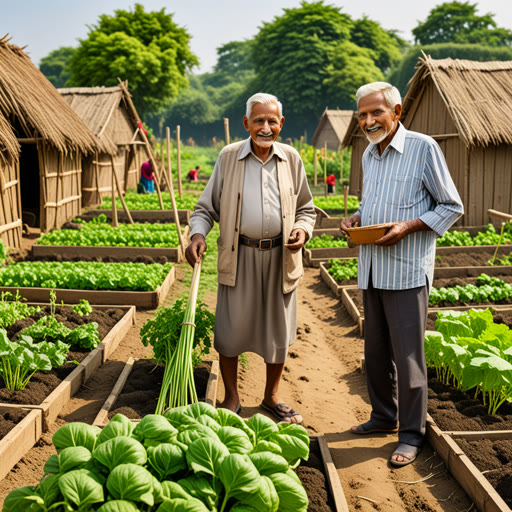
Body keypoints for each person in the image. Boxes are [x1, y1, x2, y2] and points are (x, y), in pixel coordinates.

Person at [340, 82, 463, 467]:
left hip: (407, 270)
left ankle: (411, 434)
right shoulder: (369, 155)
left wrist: (407, 227)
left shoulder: (424, 148)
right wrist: (360, 217)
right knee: (374, 352)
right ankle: (383, 416)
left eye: (376, 112)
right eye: (362, 114)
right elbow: (372, 200)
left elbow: (451, 205)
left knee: (408, 358)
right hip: (373, 267)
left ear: (396, 112)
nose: (368, 120)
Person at [185, 92, 316, 423]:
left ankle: (271, 396)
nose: (266, 127)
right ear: (246, 123)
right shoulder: (229, 158)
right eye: (259, 120)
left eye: (272, 120)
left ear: (281, 124)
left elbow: (306, 208)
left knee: (278, 329)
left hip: (280, 257)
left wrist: (302, 230)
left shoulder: (291, 159)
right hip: (239, 255)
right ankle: (231, 397)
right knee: (230, 331)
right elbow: (205, 208)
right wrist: (197, 235)